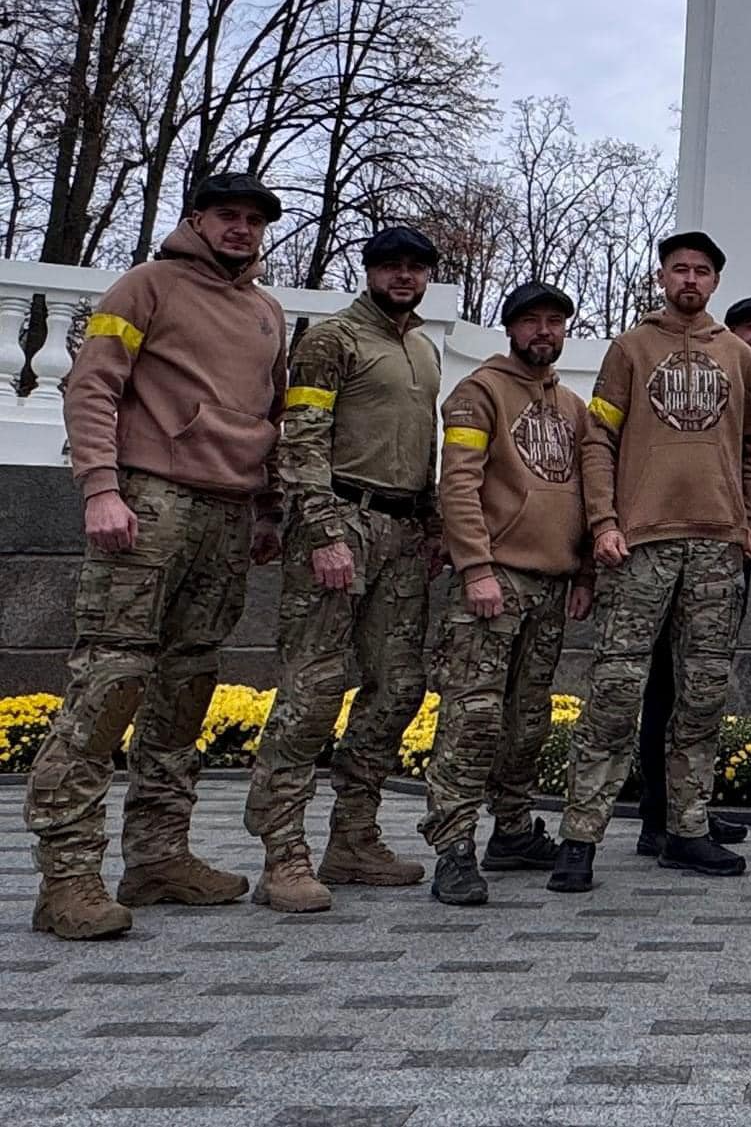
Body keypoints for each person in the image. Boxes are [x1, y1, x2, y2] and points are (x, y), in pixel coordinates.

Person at [25, 174, 288, 940]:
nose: (241, 229)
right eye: (227, 215)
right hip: (149, 501)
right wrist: (101, 489)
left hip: (227, 511)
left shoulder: (267, 312)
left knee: (188, 681)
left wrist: (268, 509)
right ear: (195, 218)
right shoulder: (145, 287)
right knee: (110, 678)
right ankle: (67, 876)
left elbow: (271, 416)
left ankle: (158, 854)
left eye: (253, 219)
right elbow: (92, 385)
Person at [549, 231, 751, 894]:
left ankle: (687, 828)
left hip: (715, 547)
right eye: (680, 268)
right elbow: (598, 439)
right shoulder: (630, 347)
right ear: (662, 276)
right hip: (639, 545)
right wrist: (603, 522)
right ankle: (580, 836)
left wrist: (749, 518)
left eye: (703, 270)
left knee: (702, 696)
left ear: (715, 281)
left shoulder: (736, 355)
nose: (691, 279)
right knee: (615, 694)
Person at [244, 224, 442, 915]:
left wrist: (435, 524)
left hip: (404, 528)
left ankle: (353, 834)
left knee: (400, 684)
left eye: (415, 267)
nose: (403, 276)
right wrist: (322, 530)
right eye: (391, 265)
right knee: (313, 687)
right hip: (340, 522)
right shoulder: (333, 339)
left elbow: (425, 449)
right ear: (370, 270)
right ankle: (282, 850)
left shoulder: (421, 347)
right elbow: (301, 436)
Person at [418, 281, 596, 906]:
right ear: (510, 329)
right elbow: (458, 486)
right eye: (532, 322)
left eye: (555, 321)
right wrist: (474, 568)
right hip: (494, 582)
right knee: (473, 718)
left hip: (550, 586)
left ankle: (513, 829)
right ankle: (453, 847)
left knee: (528, 721)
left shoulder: (573, 408)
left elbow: (585, 493)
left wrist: (583, 573)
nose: (544, 332)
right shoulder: (479, 393)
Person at [633, 290, 751, 857]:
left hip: (731, 564)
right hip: (676, 559)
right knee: (667, 691)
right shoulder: (700, 386)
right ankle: (657, 819)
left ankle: (690, 810)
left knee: (702, 694)